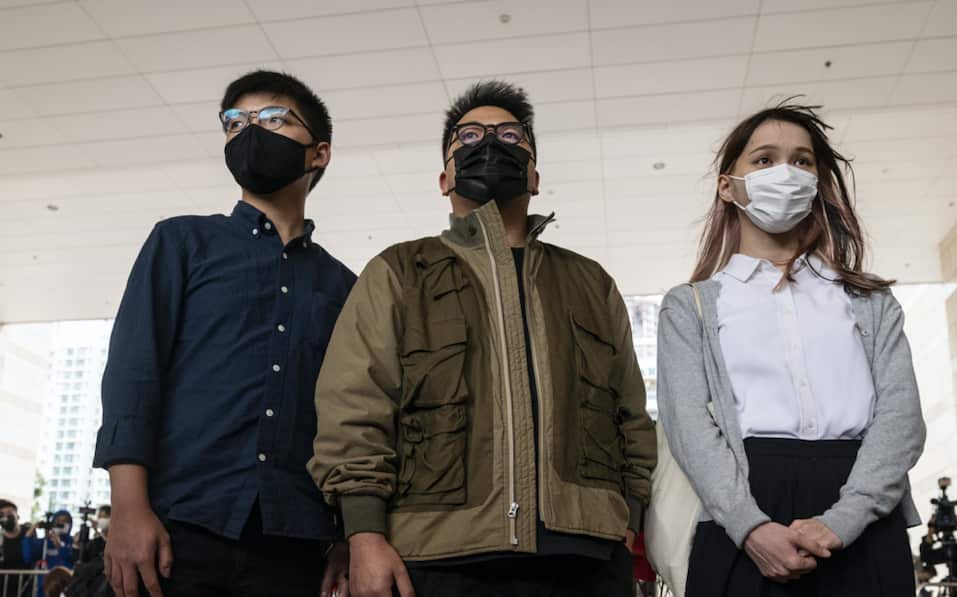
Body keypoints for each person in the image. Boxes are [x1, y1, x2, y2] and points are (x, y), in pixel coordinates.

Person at [308, 80, 657, 597]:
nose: (490, 144)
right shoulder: (400, 271)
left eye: (511, 136)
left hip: (587, 556)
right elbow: (354, 407)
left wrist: (630, 516)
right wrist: (364, 534)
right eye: (469, 137)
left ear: (534, 176)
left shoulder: (590, 282)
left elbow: (631, 412)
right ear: (444, 177)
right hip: (439, 556)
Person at [93, 70, 356, 597]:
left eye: (274, 119)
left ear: (319, 153)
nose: (250, 130)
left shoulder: (344, 286)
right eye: (235, 123)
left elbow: (351, 417)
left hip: (294, 545)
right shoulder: (181, 241)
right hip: (175, 530)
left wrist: (348, 537)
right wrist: (128, 508)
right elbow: (133, 374)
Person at [657, 100, 927, 597]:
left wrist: (842, 521)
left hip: (863, 510)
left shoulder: (869, 301)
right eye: (764, 159)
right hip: (741, 508)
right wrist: (750, 527)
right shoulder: (689, 306)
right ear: (727, 185)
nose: (786, 173)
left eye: (802, 161)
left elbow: (902, 419)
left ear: (818, 182)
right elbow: (687, 426)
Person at [1, 499, 31, 570]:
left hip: (26, 575)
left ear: (17, 516)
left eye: (9, 513)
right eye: (1, 515)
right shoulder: (1, 538)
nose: (5, 517)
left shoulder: (28, 532)